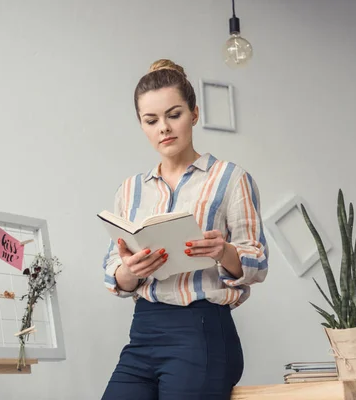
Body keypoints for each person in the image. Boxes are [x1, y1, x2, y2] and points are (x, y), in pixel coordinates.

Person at [101, 59, 269, 400]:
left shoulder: (230, 179)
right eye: (151, 120)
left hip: (202, 330)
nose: (163, 127)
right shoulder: (130, 190)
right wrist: (130, 271)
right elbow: (114, 275)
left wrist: (223, 252)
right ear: (142, 125)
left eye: (173, 114)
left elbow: (256, 263)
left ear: (194, 113)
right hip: (143, 331)